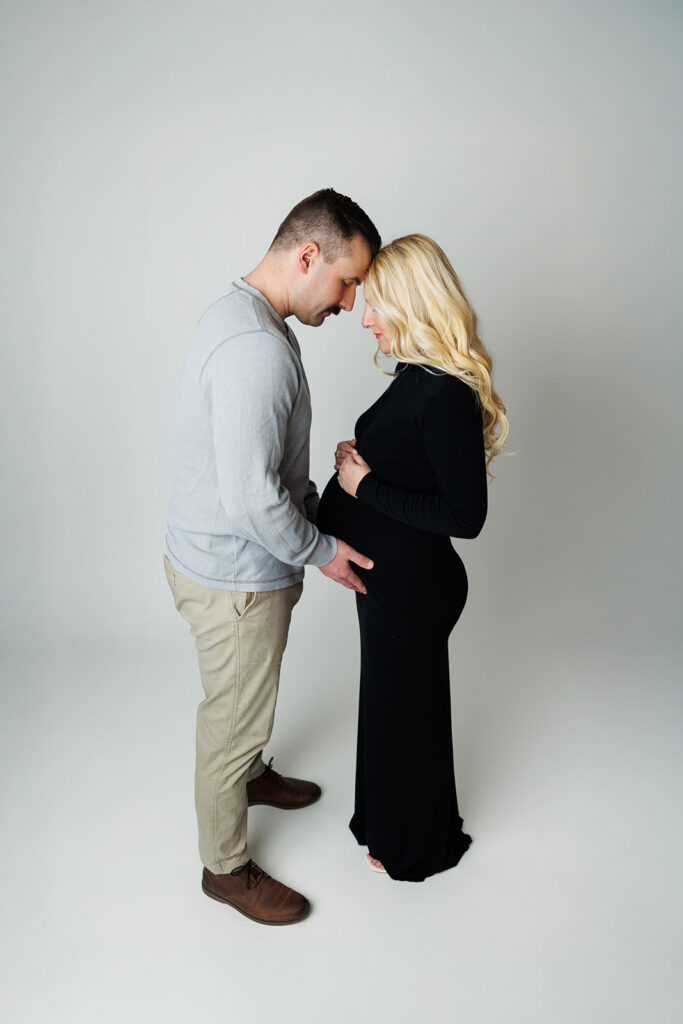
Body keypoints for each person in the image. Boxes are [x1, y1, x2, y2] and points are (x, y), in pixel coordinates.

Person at [164, 189, 381, 924]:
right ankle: (224, 869)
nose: (351, 304)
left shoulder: (241, 312)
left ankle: (250, 774)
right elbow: (251, 498)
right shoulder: (256, 346)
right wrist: (320, 549)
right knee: (230, 721)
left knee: (240, 704)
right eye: (347, 281)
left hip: (213, 560)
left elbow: (254, 466)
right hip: (234, 580)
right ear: (307, 255)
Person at [316, 234, 508, 882]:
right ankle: (383, 822)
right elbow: (410, 467)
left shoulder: (446, 393)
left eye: (375, 305)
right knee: (391, 709)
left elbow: (465, 516)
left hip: (415, 588)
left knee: (406, 717)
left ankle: (410, 844)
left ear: (412, 304)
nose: (363, 317)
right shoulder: (411, 376)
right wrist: (361, 458)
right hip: (388, 583)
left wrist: (363, 486)